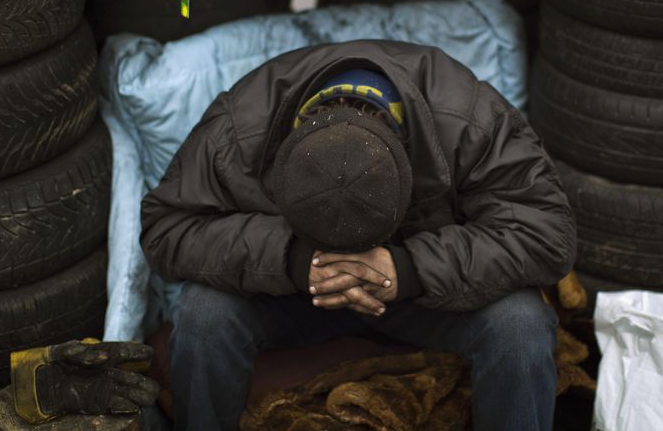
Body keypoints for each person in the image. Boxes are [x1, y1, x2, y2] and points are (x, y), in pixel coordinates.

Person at [140, 40, 576, 431]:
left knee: (520, 324)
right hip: (293, 291)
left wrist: (407, 269)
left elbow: (548, 233)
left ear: (410, 164)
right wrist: (291, 258)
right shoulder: (240, 127)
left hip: (424, 293)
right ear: (281, 162)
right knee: (204, 313)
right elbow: (166, 226)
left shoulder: (470, 120)